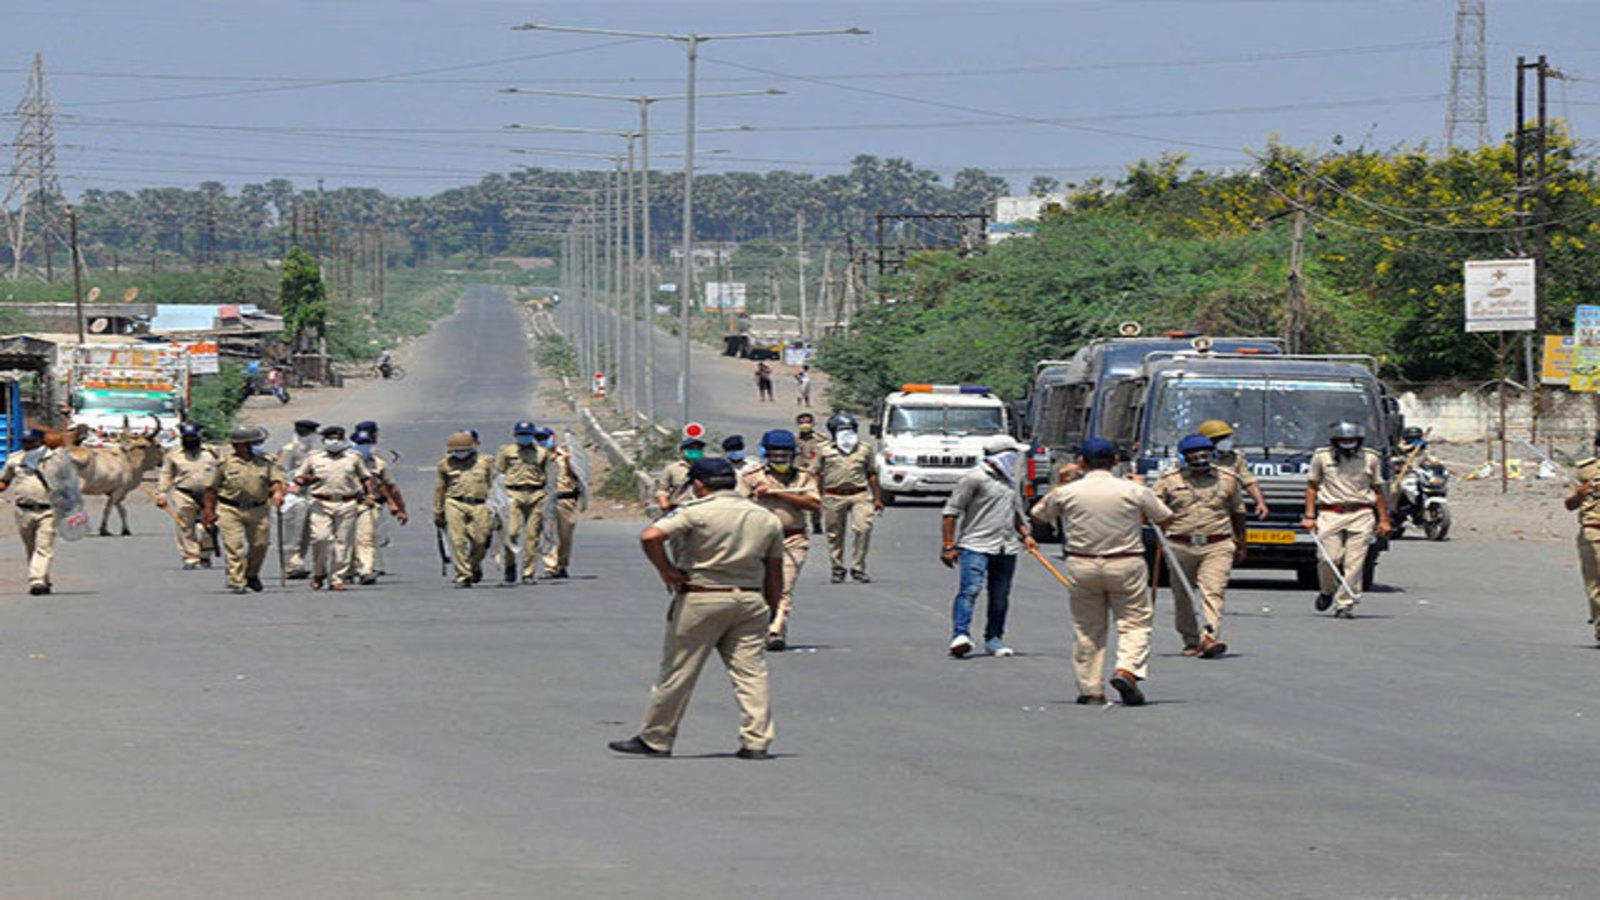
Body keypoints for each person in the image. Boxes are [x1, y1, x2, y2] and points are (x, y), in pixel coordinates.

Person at [608, 457, 784, 760]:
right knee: (751, 675)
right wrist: (772, 606)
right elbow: (775, 569)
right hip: (750, 598)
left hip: (703, 597)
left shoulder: (696, 512)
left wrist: (666, 570)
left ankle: (657, 737)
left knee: (679, 671)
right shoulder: (764, 517)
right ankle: (756, 741)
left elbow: (651, 536)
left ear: (699, 485)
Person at [1031, 438, 1174, 706]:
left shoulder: (1068, 492)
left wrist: (1060, 483)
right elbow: (1165, 517)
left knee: (1087, 628)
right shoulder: (1132, 490)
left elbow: (1040, 515)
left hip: (1082, 563)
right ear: (1116, 461)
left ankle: (1091, 689)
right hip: (1126, 562)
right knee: (1135, 622)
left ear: (1082, 463)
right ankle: (1127, 670)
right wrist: (1142, 491)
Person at [940, 436, 1037, 658]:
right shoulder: (975, 478)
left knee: (1000, 596)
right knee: (970, 590)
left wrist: (1025, 535)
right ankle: (960, 635)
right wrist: (948, 545)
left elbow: (1015, 513)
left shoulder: (1011, 481)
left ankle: (994, 639)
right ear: (1003, 456)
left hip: (1006, 546)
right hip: (976, 544)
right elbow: (951, 512)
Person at [1152, 434, 1247, 658]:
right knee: (1183, 593)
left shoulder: (1227, 478)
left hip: (1218, 543)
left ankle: (1209, 636)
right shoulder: (1168, 480)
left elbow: (1238, 512)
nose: (1201, 461)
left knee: (1213, 591)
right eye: (1194, 457)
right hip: (1179, 545)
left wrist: (1241, 543)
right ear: (1185, 458)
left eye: (1205, 455)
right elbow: (1152, 508)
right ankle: (1191, 639)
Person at [738, 429, 821, 651]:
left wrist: (777, 494)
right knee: (760, 587)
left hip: (792, 539)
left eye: (785, 453)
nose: (780, 458)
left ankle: (776, 631)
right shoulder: (751, 477)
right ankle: (761, 627)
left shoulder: (804, 476)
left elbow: (814, 503)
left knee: (784, 587)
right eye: (775, 453)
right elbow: (736, 506)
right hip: (758, 541)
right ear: (766, 453)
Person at [1302, 421, 1391, 618]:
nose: (1347, 443)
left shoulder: (1371, 458)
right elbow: (1312, 486)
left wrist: (1383, 520)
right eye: (1343, 440)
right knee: (1328, 558)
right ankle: (1327, 590)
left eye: (1351, 440)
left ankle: (1345, 603)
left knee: (1355, 562)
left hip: (1361, 513)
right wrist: (1309, 516)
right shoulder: (1322, 456)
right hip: (1330, 513)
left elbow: (1378, 490)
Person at [202, 424, 285, 594]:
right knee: (234, 546)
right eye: (248, 443)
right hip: (230, 509)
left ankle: (251, 574)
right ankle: (237, 580)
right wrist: (208, 512)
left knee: (260, 544)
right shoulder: (224, 463)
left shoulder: (266, 462)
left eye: (254, 443)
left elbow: (276, 481)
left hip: (259, 509)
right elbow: (211, 489)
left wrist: (277, 492)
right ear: (236, 445)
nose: (252, 447)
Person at [294, 424, 375, 591]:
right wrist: (306, 480)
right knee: (320, 538)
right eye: (330, 439)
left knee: (343, 542)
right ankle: (319, 572)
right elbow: (299, 478)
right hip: (320, 503)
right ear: (324, 441)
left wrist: (369, 495)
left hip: (347, 503)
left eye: (337, 439)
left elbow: (366, 477)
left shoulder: (353, 458)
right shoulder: (314, 458)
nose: (334, 442)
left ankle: (337, 578)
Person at [814, 412, 883, 583]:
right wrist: (817, 496)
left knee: (863, 529)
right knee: (834, 534)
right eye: (841, 429)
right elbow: (817, 473)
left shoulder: (864, 449)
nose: (846, 433)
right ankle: (837, 567)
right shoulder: (824, 450)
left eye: (849, 429)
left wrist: (877, 498)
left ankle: (858, 567)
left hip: (859, 494)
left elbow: (872, 473)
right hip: (833, 495)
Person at [0, 429, 59, 594]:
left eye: (30, 442)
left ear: (40, 442)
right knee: (31, 547)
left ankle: (36, 581)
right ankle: (43, 579)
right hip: (23, 511)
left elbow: (69, 485)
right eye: (24, 442)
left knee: (43, 546)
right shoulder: (15, 459)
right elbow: (5, 481)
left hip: (49, 510)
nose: (27, 445)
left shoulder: (55, 460)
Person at [155, 422, 220, 569]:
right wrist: (161, 493)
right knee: (185, 525)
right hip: (183, 493)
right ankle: (190, 557)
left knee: (209, 526)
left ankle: (205, 552)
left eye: (193, 437)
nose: (190, 440)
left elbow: (222, 471)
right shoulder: (173, 455)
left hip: (208, 494)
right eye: (187, 437)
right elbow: (166, 474)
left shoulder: (212, 452)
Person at [434, 430, 495, 588]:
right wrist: (438, 511)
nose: (460, 454)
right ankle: (463, 574)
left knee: (481, 540)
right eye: (456, 451)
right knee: (458, 540)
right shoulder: (445, 464)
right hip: (455, 503)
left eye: (463, 450)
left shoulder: (485, 462)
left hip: (480, 504)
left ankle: (473, 566)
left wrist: (498, 507)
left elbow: (494, 485)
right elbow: (440, 489)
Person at [349, 421, 407, 585]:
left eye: (366, 443)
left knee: (365, 538)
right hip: (344, 504)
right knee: (345, 540)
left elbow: (387, 486)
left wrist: (397, 506)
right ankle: (349, 568)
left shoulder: (378, 462)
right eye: (360, 444)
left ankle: (366, 570)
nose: (363, 447)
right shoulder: (344, 461)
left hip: (369, 504)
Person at [496, 420, 550, 584]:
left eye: (527, 435)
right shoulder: (507, 451)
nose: (524, 438)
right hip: (513, 493)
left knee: (532, 535)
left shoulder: (542, 453)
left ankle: (528, 572)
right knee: (511, 532)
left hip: (536, 494)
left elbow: (548, 474)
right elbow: (500, 472)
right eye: (521, 435)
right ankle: (510, 565)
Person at [1565, 431, 1600, 644]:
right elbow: (1569, 505)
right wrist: (1580, 494)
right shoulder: (1585, 470)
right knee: (1594, 585)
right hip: (1593, 531)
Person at [1197, 419, 1269, 519]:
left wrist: (1260, 503)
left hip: (1229, 509)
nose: (1225, 441)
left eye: (1226, 437)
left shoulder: (1235, 458)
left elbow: (1249, 482)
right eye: (1220, 438)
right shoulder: (1195, 458)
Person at [542, 428, 585, 579]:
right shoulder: (537, 457)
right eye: (539, 437)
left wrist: (569, 461)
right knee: (549, 533)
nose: (542, 440)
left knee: (565, 535)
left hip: (565, 499)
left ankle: (562, 564)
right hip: (547, 499)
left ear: (553, 437)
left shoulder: (567, 456)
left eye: (545, 437)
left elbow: (580, 476)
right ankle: (550, 566)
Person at [280, 419, 320, 579]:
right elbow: (281, 473)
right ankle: (291, 564)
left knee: (307, 534)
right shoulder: (289, 450)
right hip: (294, 496)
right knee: (292, 533)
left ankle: (299, 561)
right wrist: (291, 490)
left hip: (312, 495)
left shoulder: (314, 451)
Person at [655, 436, 706, 514]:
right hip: (679, 509)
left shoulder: (708, 468)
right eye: (691, 449)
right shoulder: (672, 469)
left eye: (698, 449)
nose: (695, 451)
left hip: (702, 509)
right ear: (682, 451)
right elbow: (662, 489)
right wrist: (664, 503)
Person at [794, 412, 824, 535]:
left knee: (815, 499)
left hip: (815, 473)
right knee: (797, 499)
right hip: (798, 472)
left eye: (808, 422)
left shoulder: (821, 439)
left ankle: (816, 523)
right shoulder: (793, 440)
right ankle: (799, 523)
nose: (805, 425)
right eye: (802, 423)